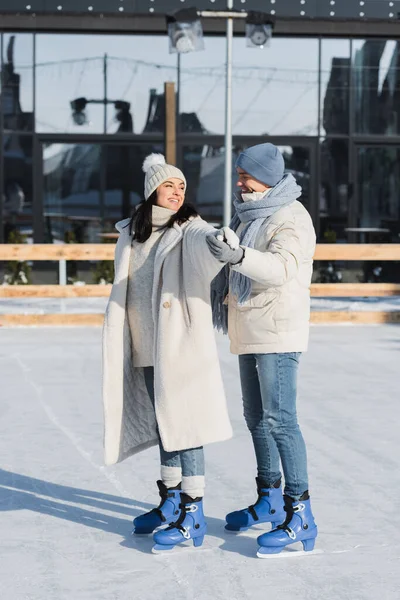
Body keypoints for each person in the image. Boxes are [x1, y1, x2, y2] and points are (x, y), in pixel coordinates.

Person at [103, 153, 232, 553]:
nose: (177, 193)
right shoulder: (133, 232)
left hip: (178, 345)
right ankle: (171, 500)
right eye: (169, 186)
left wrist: (217, 242)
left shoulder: (189, 229)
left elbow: (204, 242)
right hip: (142, 343)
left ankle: (192, 512)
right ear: (152, 191)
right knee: (165, 426)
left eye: (181, 187)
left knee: (185, 424)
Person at [206, 143, 318, 556]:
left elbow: (280, 268)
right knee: (256, 418)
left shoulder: (290, 217)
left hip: (277, 332)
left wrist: (237, 255)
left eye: (245, 175)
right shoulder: (248, 214)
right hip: (249, 327)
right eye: (238, 175)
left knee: (281, 421)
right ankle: (269, 498)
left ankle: (301, 513)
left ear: (268, 176)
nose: (240, 182)